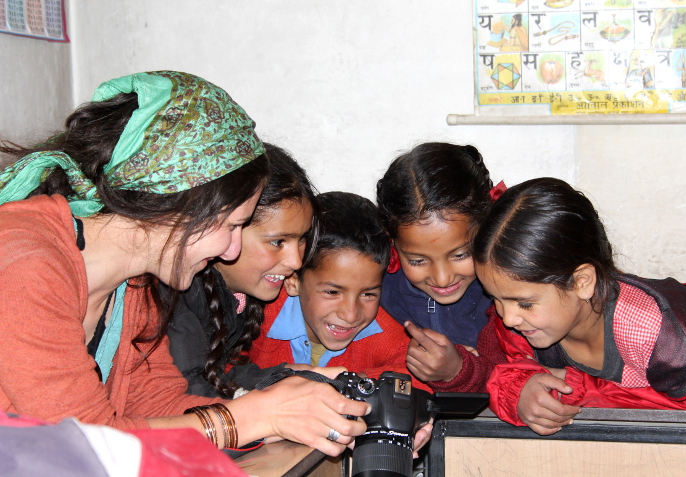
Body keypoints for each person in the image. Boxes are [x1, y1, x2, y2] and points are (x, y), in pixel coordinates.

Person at [0, 71, 369, 457]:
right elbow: (83, 446)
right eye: (232, 225)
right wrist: (255, 417)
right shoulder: (24, 261)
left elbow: (158, 407)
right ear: (180, 205)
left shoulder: (134, 288)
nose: (230, 251)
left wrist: (295, 412)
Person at [474, 177, 686, 436]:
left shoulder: (667, 337)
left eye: (524, 303)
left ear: (581, 282)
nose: (507, 316)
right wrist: (520, 392)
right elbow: (507, 369)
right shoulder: (525, 324)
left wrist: (577, 389)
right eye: (496, 299)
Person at [168, 143, 317, 398]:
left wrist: (295, 377)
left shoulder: (236, 297)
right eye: (278, 242)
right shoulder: (181, 295)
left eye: (302, 238)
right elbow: (186, 393)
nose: (295, 261)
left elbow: (218, 377)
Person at [249, 191, 430, 391]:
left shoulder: (387, 337)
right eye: (333, 293)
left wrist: (348, 383)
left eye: (368, 294)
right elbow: (223, 374)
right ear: (293, 281)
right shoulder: (256, 320)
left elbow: (421, 384)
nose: (351, 314)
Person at [376, 142, 499, 392]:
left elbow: (519, 380)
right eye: (418, 261)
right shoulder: (375, 289)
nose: (442, 279)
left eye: (461, 254)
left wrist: (459, 371)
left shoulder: (506, 294)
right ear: (393, 243)